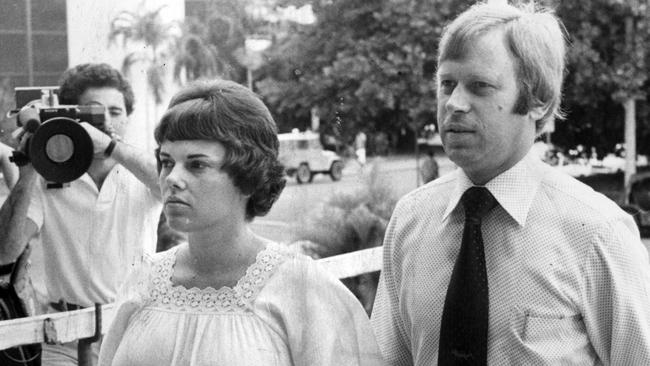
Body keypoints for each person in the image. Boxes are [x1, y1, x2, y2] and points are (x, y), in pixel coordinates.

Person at [371, 2, 650, 365]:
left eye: (479, 87)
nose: (454, 103)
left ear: (538, 100)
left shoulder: (598, 235)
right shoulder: (411, 220)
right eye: (447, 84)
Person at [98, 79, 384, 366]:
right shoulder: (144, 280)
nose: (171, 179)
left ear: (247, 177)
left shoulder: (299, 286)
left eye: (197, 164)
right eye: (167, 162)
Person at [0, 63, 162, 365]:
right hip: (66, 334)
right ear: (71, 116)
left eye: (115, 112)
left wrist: (112, 147)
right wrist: (28, 172)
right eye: (92, 113)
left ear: (128, 117)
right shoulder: (48, 175)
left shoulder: (140, 168)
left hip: (134, 326)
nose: (105, 122)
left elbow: (172, 185)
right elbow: (5, 253)